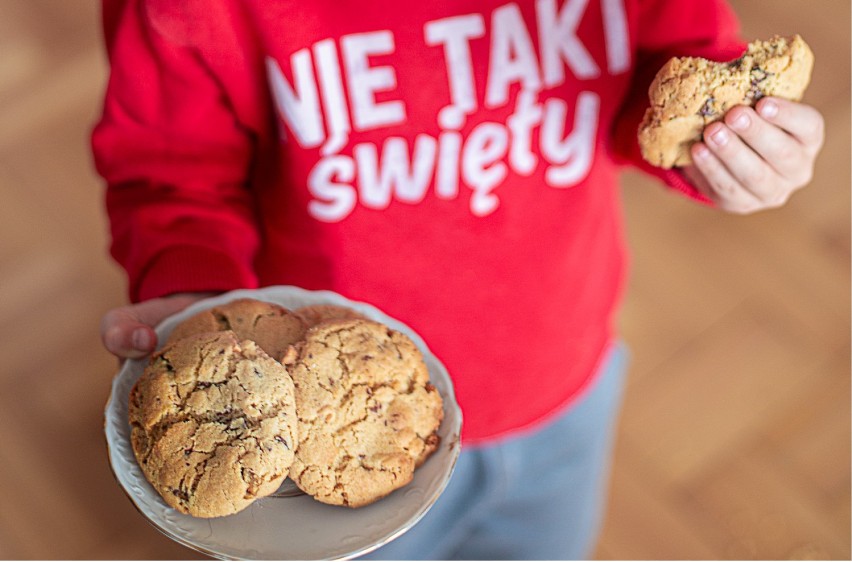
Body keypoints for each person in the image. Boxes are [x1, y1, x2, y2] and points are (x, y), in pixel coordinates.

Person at [93, 0, 824, 558]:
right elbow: (171, 177)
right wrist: (194, 294)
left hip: (563, 386)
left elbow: (677, 81)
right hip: (311, 448)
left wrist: (740, 152)